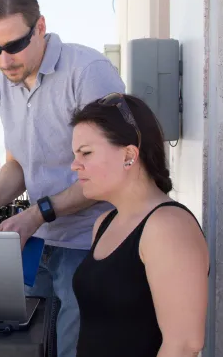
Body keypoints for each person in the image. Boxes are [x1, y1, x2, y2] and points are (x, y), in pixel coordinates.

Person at [0, 0, 125, 357]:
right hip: (38, 245)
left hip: (90, 245)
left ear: (40, 27)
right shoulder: (4, 83)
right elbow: (18, 163)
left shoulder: (88, 72)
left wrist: (37, 214)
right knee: (26, 347)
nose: (5, 60)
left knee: (76, 349)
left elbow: (110, 173)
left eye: (15, 45)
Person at [70, 93, 208, 357]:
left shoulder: (167, 226)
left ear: (129, 155)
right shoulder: (104, 223)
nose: (75, 165)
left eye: (86, 153)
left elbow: (184, 345)